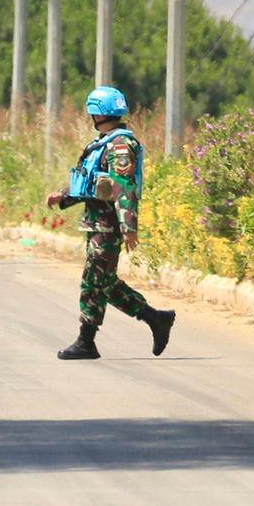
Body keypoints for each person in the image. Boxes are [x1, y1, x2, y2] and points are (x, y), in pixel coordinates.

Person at [46, 86, 176, 360]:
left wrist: (128, 228)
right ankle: (156, 318)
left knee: (93, 281)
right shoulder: (103, 143)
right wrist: (63, 196)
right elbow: (89, 182)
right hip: (97, 224)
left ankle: (86, 341)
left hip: (109, 226)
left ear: (98, 113)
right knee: (105, 282)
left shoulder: (120, 146)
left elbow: (124, 188)